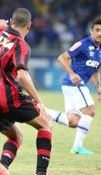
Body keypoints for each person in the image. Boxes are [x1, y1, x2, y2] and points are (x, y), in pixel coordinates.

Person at [0, 8, 52, 175]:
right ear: (28, 26)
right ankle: (41, 172)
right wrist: (39, 101)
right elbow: (22, 75)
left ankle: (2, 168)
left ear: (10, 21)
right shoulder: (21, 44)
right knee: (45, 125)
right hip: (7, 98)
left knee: (15, 137)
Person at [46, 16, 101, 155]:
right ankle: (77, 146)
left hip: (73, 85)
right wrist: (71, 73)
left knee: (73, 121)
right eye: (97, 30)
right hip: (74, 83)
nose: (100, 33)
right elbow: (62, 57)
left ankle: (43, 112)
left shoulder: (99, 50)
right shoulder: (83, 44)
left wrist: (98, 87)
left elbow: (95, 69)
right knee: (90, 111)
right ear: (91, 31)